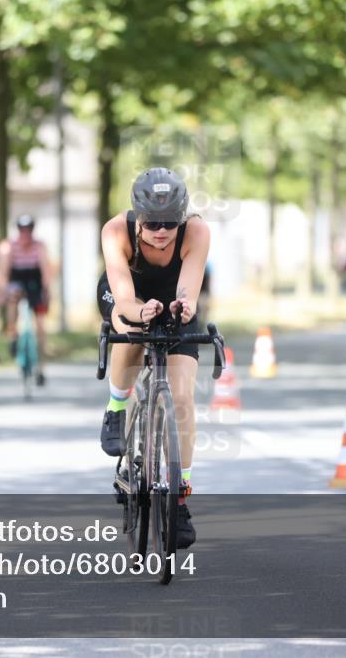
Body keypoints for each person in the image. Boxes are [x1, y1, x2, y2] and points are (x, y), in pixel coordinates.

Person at [97, 167, 210, 549]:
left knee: (182, 399)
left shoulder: (196, 231)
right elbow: (124, 296)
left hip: (175, 300)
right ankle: (116, 406)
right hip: (127, 293)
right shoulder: (116, 231)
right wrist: (138, 311)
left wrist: (184, 306)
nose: (162, 231)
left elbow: (189, 288)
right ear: (138, 217)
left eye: (170, 223)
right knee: (130, 326)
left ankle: (180, 498)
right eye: (153, 223)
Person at [0, 215, 51, 385]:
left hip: (34, 282)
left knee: (40, 327)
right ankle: (13, 334)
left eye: (29, 230)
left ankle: (41, 368)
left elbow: (46, 272)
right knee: (12, 299)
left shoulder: (39, 246)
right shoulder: (8, 246)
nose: (25, 234)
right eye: (22, 230)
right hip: (17, 281)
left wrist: (47, 291)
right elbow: (4, 273)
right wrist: (2, 291)